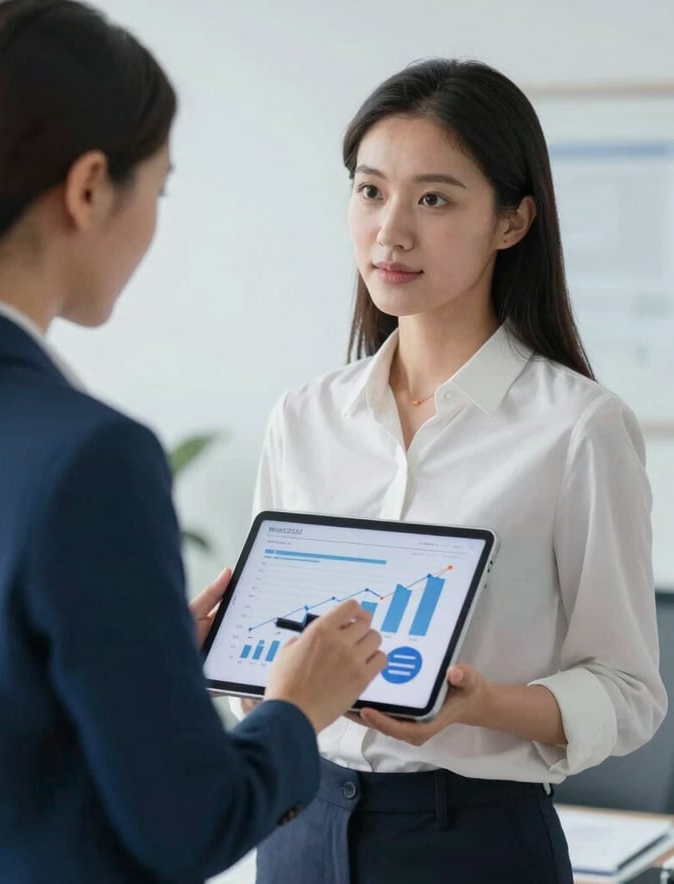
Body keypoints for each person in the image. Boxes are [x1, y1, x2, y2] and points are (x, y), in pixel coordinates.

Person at [0, 2, 387, 882]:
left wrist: (142, 657)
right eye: (158, 191)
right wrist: (295, 708)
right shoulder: (87, 459)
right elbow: (188, 826)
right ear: (91, 187)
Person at [233, 58, 668, 884]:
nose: (390, 231)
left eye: (433, 199)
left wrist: (482, 705)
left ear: (513, 221)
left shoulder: (578, 429)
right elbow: (264, 664)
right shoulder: (304, 417)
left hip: (472, 841)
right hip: (298, 826)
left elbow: (628, 693)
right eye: (371, 191)